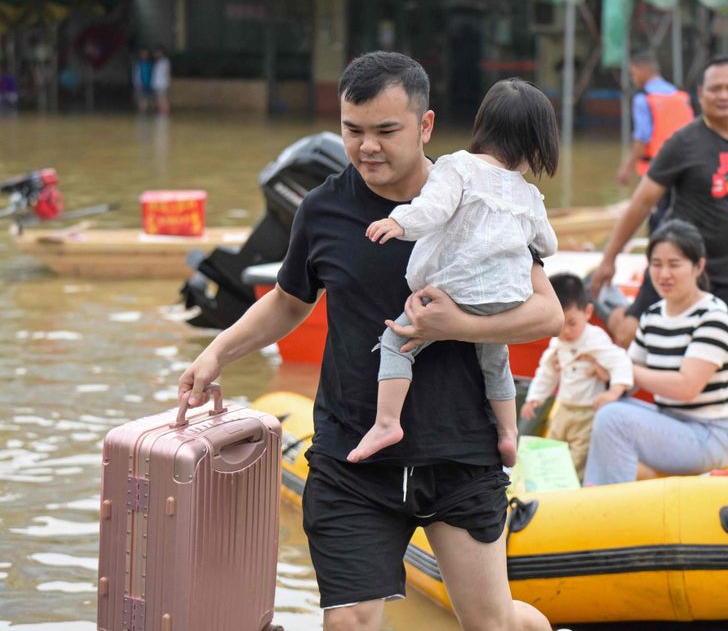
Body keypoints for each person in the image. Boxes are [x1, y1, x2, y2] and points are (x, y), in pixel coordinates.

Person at [178, 51, 562, 631]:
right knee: (350, 621)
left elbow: (545, 313)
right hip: (354, 453)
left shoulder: (479, 197)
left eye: (386, 131)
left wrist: (459, 327)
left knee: (493, 623)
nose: (367, 148)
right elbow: (287, 302)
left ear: (425, 126)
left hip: (459, 450)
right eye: (352, 131)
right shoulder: (323, 208)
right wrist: (214, 353)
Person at [347, 78, 560, 467]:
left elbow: (434, 209)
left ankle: (386, 422)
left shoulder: (458, 166)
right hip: (506, 298)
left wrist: (400, 222)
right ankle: (509, 433)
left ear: (484, 127)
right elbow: (547, 245)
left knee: (396, 343)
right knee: (496, 359)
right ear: (536, 144)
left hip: (454, 292)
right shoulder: (529, 195)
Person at [592, 56, 728, 347]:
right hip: (677, 268)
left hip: (727, 274)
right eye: (715, 89)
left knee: (712, 351)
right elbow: (641, 203)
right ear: (701, 95)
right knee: (632, 336)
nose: (724, 96)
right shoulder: (684, 142)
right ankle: (612, 310)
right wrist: (608, 259)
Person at [584, 220, 728, 485]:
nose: (664, 274)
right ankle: (595, 491)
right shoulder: (653, 315)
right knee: (602, 405)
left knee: (614, 418)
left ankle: (613, 507)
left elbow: (687, 387)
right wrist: (607, 372)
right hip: (671, 423)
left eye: (674, 264)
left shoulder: (714, 316)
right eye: (656, 265)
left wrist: (627, 369)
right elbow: (629, 380)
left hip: (711, 436)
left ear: (698, 266)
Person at [520, 273, 633, 481]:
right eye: (560, 323)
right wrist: (534, 398)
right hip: (563, 407)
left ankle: (572, 487)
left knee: (579, 455)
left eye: (572, 323)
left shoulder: (595, 338)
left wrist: (614, 391)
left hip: (587, 411)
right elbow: (546, 372)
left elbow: (620, 361)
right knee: (552, 446)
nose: (566, 331)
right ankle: (549, 483)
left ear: (588, 312)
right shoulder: (558, 342)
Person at [614, 51, 694, 232]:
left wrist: (626, 167)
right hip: (685, 168)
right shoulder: (682, 97)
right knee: (679, 215)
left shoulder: (643, 99)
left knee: (657, 217)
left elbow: (642, 138)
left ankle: (658, 257)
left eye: (633, 73)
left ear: (642, 70)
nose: (633, 79)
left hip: (656, 169)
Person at [132, 48, 153, 113]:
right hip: (140, 85)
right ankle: (142, 113)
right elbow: (135, 75)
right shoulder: (138, 64)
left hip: (149, 85)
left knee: (148, 101)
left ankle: (145, 113)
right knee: (141, 100)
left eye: (146, 54)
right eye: (143, 54)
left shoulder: (151, 64)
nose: (144, 55)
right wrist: (136, 84)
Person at [151, 47, 170, 115]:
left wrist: (167, 83)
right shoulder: (156, 62)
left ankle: (165, 112)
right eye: (156, 53)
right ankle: (161, 112)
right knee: (159, 99)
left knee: (163, 99)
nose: (156, 54)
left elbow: (166, 73)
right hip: (157, 84)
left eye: (158, 52)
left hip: (162, 84)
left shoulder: (165, 61)